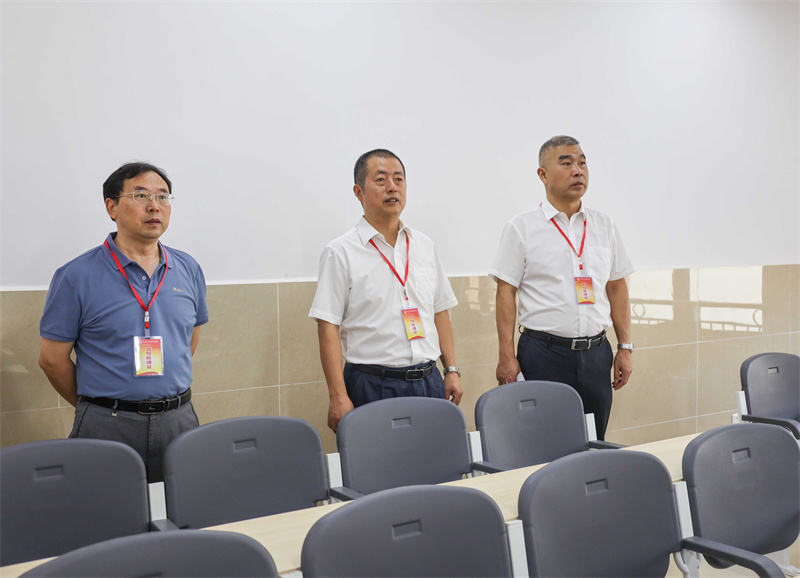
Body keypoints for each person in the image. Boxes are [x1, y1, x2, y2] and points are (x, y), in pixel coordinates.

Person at [39, 162, 208, 482]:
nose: (154, 206)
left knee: (181, 506)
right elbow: (51, 360)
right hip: (107, 425)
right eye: (141, 195)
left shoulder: (188, 268)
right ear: (111, 207)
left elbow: (189, 338)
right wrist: (98, 406)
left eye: (163, 197)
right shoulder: (76, 275)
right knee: (104, 507)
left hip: (178, 420)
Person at [490, 136, 634, 440]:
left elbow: (617, 287)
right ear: (543, 174)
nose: (577, 170)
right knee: (545, 443)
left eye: (582, 162)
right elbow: (505, 294)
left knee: (594, 441)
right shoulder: (522, 227)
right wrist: (506, 355)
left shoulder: (603, 225)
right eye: (566, 163)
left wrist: (625, 346)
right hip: (544, 355)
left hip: (596, 354)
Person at [309, 149, 463, 433]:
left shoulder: (424, 245)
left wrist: (451, 369)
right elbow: (327, 326)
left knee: (433, 458)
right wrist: (337, 395)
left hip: (429, 382)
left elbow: (440, 311)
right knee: (379, 462)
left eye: (398, 179)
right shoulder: (340, 252)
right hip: (373, 385)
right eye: (381, 179)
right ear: (359, 192)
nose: (392, 187)